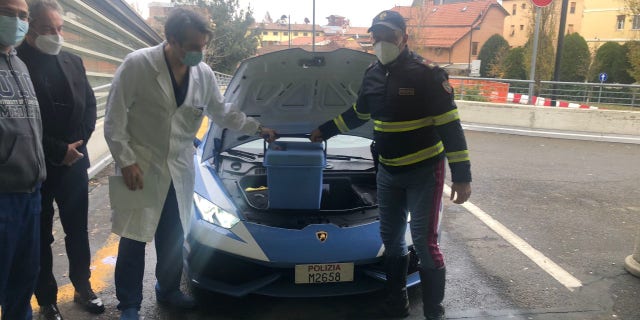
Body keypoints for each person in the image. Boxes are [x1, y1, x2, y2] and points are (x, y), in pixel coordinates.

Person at [104, 8, 276, 320]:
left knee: (173, 235)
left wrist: (257, 127)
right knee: (133, 238)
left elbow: (221, 112)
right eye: (193, 47)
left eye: (203, 47)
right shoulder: (138, 64)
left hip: (180, 168)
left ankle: (167, 289)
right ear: (171, 40)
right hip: (139, 167)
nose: (199, 53)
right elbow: (114, 118)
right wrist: (126, 161)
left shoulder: (204, 74)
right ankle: (129, 304)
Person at [310, 10, 472, 320]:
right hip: (387, 172)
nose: (382, 43)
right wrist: (325, 129)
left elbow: (451, 127)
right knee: (392, 242)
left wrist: (462, 176)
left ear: (404, 39)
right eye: (378, 37)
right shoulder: (371, 73)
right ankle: (397, 305)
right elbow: (357, 113)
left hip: (424, 171)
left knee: (425, 244)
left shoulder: (427, 74)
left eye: (390, 37)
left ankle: (434, 311)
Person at [16, 1, 102, 319]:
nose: (57, 34)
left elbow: (90, 107)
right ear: (30, 29)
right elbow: (24, 122)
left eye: (60, 28)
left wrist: (76, 148)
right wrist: (57, 150)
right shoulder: (17, 63)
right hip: (36, 165)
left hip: (75, 163)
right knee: (41, 234)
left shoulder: (73, 61)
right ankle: (46, 299)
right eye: (49, 29)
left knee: (77, 230)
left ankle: (83, 287)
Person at [0, 0, 47, 319]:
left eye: (23, 16)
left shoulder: (19, 64)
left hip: (31, 194)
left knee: (22, 283)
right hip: (2, 197)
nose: (18, 21)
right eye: (9, 13)